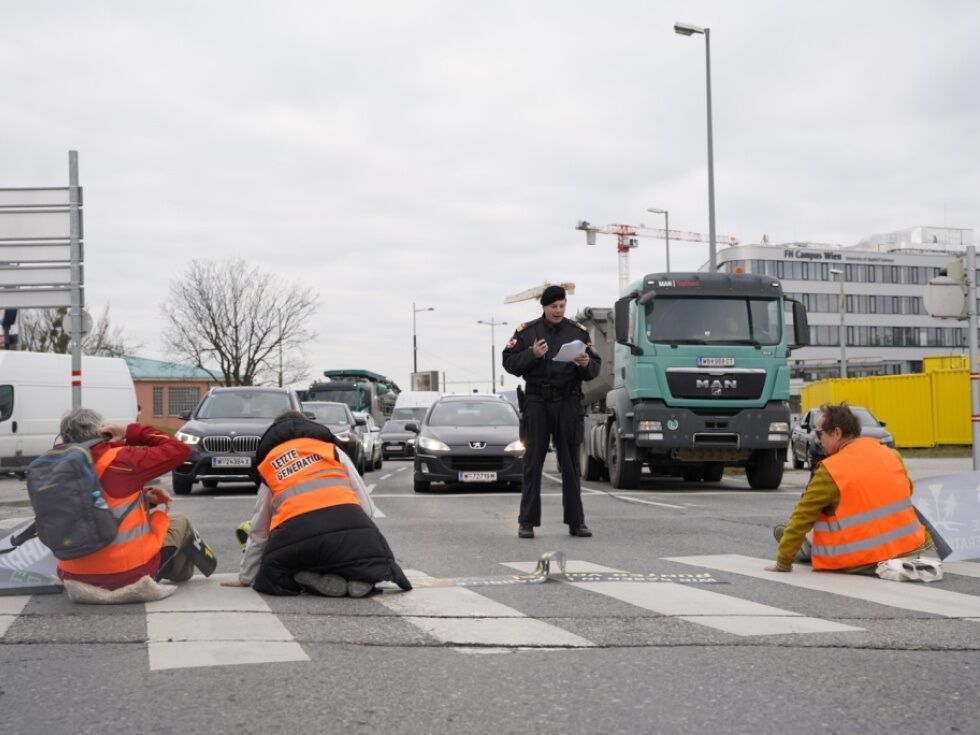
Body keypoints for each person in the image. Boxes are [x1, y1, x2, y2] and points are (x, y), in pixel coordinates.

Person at [223, 411, 412, 597]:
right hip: (350, 529)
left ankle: (307, 579)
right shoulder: (332, 450)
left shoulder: (271, 462)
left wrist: (246, 577)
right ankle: (356, 577)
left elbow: (259, 530)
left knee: (277, 569)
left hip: (296, 538)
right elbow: (367, 508)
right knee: (358, 556)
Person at [766, 402, 932, 574]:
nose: (817, 439)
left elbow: (801, 518)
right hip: (910, 549)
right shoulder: (891, 454)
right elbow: (907, 490)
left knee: (819, 524)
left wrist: (783, 562)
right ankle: (804, 544)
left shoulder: (830, 471)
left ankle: (802, 546)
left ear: (837, 433)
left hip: (864, 560)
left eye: (819, 433)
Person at [55, 408, 209, 590]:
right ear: (101, 432)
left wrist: (144, 496)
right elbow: (179, 449)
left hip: (73, 575)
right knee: (179, 521)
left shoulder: (53, 468)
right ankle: (179, 573)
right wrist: (129, 432)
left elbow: (91, 502)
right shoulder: (122, 460)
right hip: (127, 575)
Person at [502, 284, 601, 539]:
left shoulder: (576, 331)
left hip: (567, 402)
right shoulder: (527, 332)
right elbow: (509, 362)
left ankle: (576, 522)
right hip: (537, 402)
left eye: (561, 305)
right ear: (544, 307)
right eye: (553, 306)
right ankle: (527, 522)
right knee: (532, 463)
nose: (558, 310)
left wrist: (585, 363)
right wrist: (532, 354)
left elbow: (593, 369)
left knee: (569, 464)